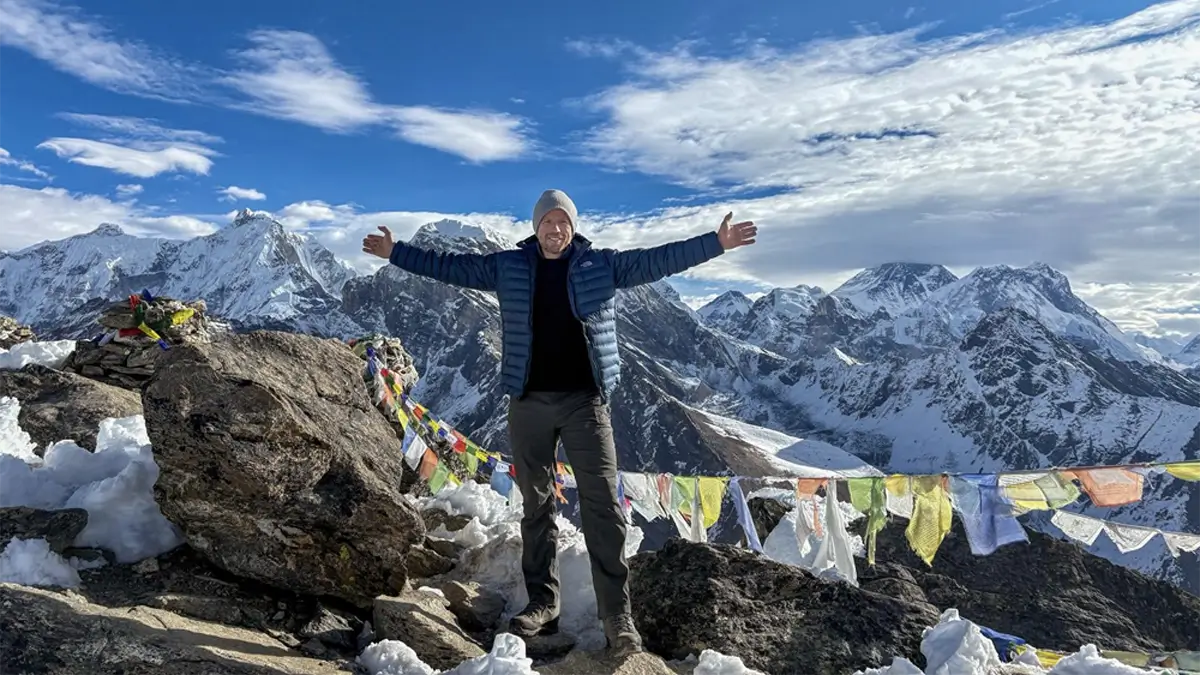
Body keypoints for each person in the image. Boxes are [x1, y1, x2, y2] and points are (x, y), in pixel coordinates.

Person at [362, 189, 757, 656]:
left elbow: (657, 260)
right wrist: (396, 253)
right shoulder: (506, 267)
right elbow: (452, 268)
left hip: (586, 403)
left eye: (562, 222)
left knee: (604, 505)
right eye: (547, 222)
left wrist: (716, 243)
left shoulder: (601, 266)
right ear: (535, 227)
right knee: (536, 504)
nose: (555, 230)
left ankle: (617, 615)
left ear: (573, 227)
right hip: (528, 401)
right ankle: (542, 603)